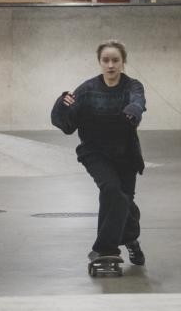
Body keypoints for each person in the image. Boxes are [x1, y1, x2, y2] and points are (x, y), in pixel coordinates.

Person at [50, 40, 148, 273]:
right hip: (95, 152)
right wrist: (61, 107)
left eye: (115, 60)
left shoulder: (132, 86)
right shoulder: (87, 90)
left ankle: (131, 239)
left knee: (123, 201)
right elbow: (66, 125)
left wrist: (134, 110)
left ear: (123, 62)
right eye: (106, 60)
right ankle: (105, 249)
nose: (111, 65)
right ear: (100, 62)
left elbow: (138, 101)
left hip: (126, 154)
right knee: (112, 191)